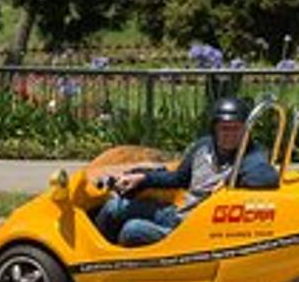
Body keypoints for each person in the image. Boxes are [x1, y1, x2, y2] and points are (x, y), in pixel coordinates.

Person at [95, 95, 280, 248]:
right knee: (114, 207)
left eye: (235, 129)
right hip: (178, 215)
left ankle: (116, 269)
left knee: (133, 229)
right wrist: (143, 178)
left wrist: (231, 179)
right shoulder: (203, 147)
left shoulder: (251, 156)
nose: (229, 135)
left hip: (198, 232)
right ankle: (96, 258)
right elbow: (179, 178)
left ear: (245, 131)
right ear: (214, 128)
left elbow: (267, 177)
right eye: (224, 129)